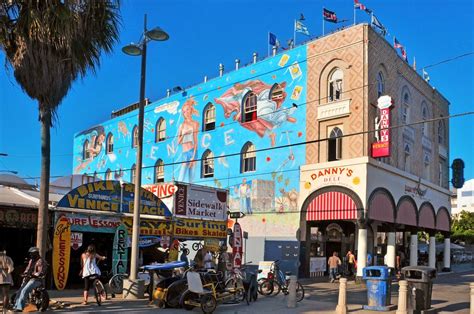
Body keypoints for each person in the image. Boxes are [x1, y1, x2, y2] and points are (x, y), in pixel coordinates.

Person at [11, 247, 46, 312]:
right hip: (28, 279)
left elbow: (41, 271)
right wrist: (25, 273)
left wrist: (34, 275)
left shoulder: (41, 261)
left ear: (36, 253)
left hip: (36, 280)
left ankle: (20, 307)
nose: (30, 255)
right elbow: (27, 269)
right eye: (30, 254)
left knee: (24, 290)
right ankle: (16, 305)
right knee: (20, 290)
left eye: (32, 254)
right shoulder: (31, 261)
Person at [177, 98, 199, 183]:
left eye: (187, 110)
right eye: (184, 111)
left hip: (192, 151)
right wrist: (184, 134)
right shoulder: (182, 125)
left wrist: (193, 157)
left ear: (191, 110)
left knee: (191, 179)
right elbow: (178, 142)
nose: (186, 112)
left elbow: (196, 141)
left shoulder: (195, 124)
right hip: (184, 153)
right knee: (181, 177)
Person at [0, 249, 14, 314]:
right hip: (6, 278)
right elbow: (11, 268)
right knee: (6, 294)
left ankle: (4, 308)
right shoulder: (8, 258)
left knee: (3, 295)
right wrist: (7, 272)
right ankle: (4, 310)